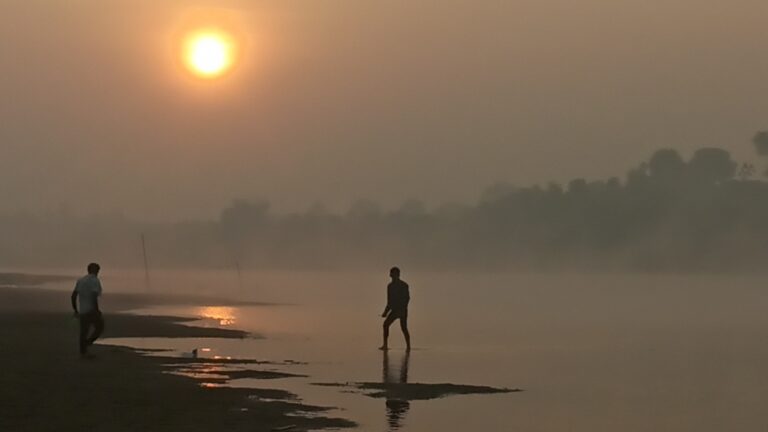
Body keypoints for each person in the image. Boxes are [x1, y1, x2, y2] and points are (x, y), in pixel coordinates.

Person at [71, 263, 104, 357]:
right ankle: (86, 344)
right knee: (100, 327)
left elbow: (73, 296)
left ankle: (83, 351)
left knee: (84, 331)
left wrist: (75, 309)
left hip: (82, 310)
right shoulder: (95, 280)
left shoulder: (81, 280)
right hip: (91, 310)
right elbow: (94, 296)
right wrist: (96, 310)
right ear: (96, 271)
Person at [379, 266, 411, 351]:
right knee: (386, 325)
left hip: (402, 310)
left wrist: (403, 308)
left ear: (398, 275)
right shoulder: (389, 286)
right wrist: (385, 312)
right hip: (394, 310)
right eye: (392, 274)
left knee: (403, 328)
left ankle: (408, 347)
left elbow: (407, 298)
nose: (392, 276)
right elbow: (389, 301)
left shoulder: (404, 285)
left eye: (394, 274)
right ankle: (385, 345)